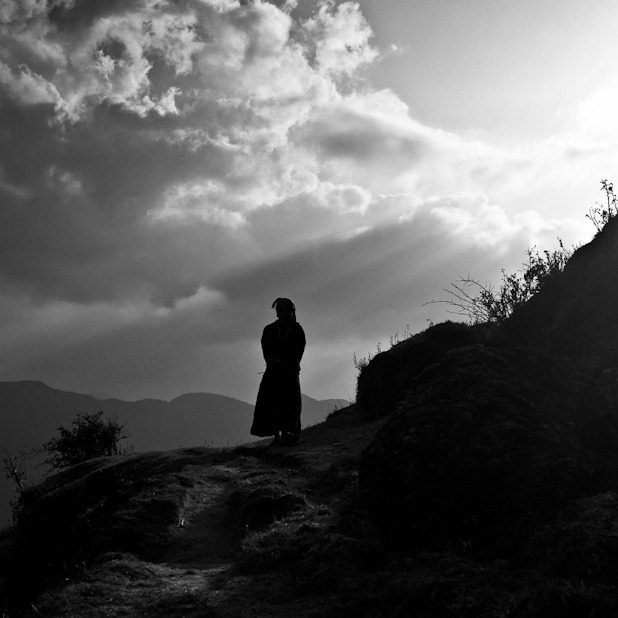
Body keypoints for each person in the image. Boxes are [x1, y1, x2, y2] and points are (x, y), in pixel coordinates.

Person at [251, 298, 306, 445]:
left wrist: (289, 362)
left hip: (288, 371)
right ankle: (276, 435)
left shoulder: (296, 330)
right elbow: (266, 348)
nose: (281, 314)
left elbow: (299, 349)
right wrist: (272, 360)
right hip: (274, 371)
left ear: (290, 312)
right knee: (272, 402)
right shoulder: (269, 330)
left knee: (288, 402)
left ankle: (286, 433)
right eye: (279, 311)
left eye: (284, 311)